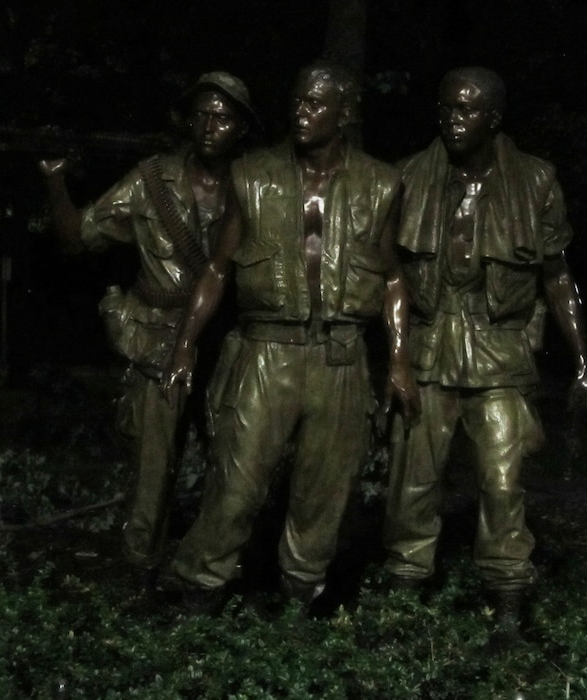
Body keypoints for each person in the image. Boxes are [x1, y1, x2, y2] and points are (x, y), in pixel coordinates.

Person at [162, 62, 421, 610]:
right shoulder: (252, 174)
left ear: (344, 114)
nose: (300, 113)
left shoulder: (382, 183)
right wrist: (186, 341)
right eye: (297, 101)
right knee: (234, 485)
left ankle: (300, 606)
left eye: (314, 104)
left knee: (323, 494)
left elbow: (393, 274)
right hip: (264, 350)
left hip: (341, 356)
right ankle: (198, 596)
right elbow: (218, 268)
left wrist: (399, 358)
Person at [382, 66, 587, 637]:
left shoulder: (535, 182)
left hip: (500, 351)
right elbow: (391, 280)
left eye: (466, 110)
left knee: (503, 483)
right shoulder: (406, 178)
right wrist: (398, 359)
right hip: (430, 346)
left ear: (494, 118)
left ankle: (507, 599)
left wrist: (585, 362)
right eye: (446, 107)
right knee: (413, 481)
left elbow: (558, 280)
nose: (452, 119)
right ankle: (405, 596)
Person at [39, 71, 258, 584]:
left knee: (237, 459)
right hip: (159, 338)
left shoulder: (257, 184)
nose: (209, 126)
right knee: (153, 468)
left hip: (230, 338)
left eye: (223, 117)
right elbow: (77, 239)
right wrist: (54, 180)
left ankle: (213, 566)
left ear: (242, 129)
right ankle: (139, 570)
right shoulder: (150, 181)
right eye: (201, 114)